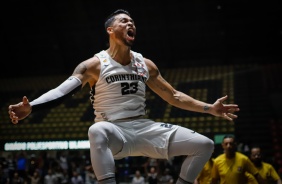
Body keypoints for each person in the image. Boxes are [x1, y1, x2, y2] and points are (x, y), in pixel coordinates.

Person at [8, 9, 240, 184]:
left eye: (132, 22)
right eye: (124, 21)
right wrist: (33, 107)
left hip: (144, 127)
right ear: (110, 30)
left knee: (205, 145)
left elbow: (174, 96)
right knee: (96, 130)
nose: (131, 24)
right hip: (113, 131)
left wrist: (210, 108)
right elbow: (61, 91)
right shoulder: (94, 64)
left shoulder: (145, 64)